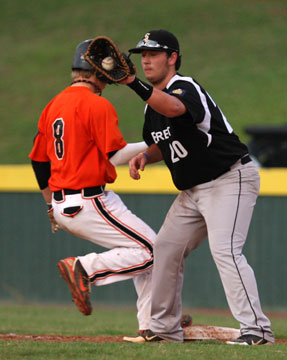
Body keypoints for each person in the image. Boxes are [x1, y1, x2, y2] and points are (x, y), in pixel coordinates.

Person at [122, 29, 275, 345]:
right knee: (166, 248)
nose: (146, 60)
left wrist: (131, 83)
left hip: (229, 178)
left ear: (172, 57)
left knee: (226, 251)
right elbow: (162, 142)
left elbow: (177, 110)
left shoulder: (184, 87)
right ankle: (164, 329)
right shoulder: (152, 107)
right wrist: (144, 156)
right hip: (193, 190)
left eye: (153, 53)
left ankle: (258, 330)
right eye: (142, 55)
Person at [28, 38, 157, 333]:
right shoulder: (96, 104)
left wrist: (50, 205)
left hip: (67, 202)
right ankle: (83, 268)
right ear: (97, 70)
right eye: (107, 65)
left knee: (147, 248)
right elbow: (118, 156)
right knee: (152, 251)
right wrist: (154, 143)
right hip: (88, 200)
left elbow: (39, 162)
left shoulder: (53, 105)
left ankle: (154, 322)